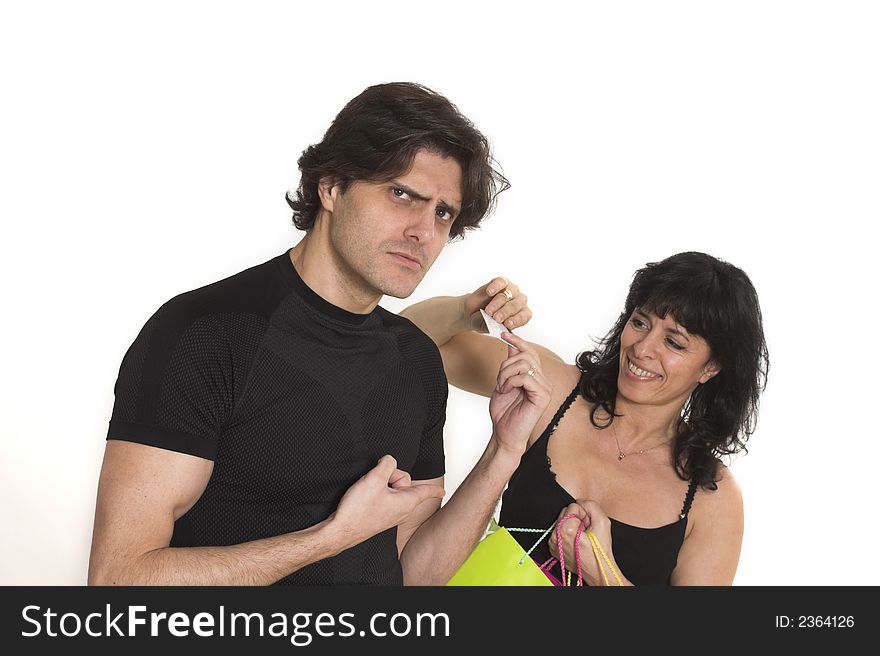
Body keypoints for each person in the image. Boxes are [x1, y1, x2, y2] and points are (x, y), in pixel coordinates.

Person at [88, 82, 553, 586]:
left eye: (442, 213)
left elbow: (414, 574)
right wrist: (331, 537)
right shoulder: (204, 334)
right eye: (401, 194)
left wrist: (502, 453)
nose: (423, 231)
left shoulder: (415, 359)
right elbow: (119, 579)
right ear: (331, 187)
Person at [400, 251, 769, 585]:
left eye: (674, 342)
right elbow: (405, 342)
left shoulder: (710, 498)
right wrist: (468, 310)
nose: (642, 349)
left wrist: (601, 572)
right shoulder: (553, 390)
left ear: (711, 367)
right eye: (641, 323)